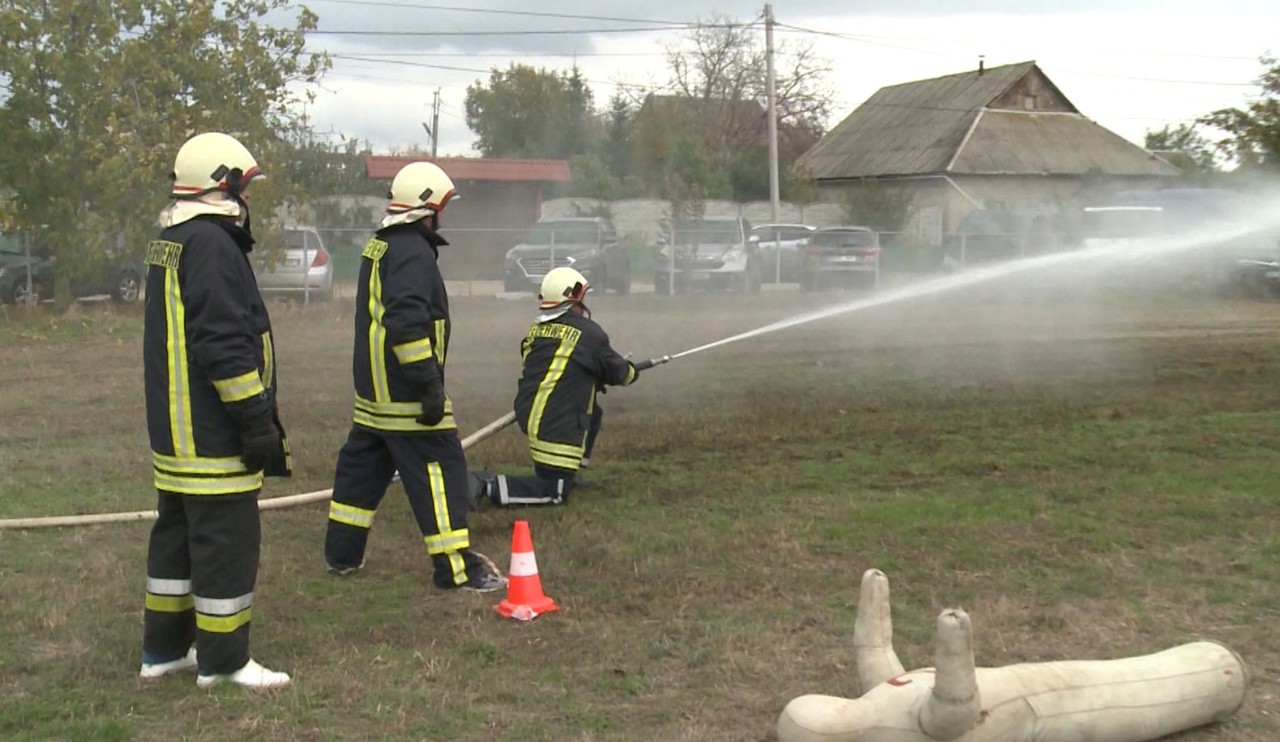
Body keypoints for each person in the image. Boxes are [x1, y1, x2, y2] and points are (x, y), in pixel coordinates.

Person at [139, 132, 292, 689]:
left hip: (175, 433)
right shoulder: (211, 244)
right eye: (244, 184)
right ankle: (224, 663)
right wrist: (254, 418)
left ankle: (163, 652)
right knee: (227, 540)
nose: (247, 194)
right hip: (210, 433)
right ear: (223, 183)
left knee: (177, 539)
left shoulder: (173, 238)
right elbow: (225, 343)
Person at [323, 161, 506, 593]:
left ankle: (342, 557)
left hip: (374, 397)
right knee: (442, 470)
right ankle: (456, 570)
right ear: (428, 207)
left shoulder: (381, 245)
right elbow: (407, 324)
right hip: (406, 396)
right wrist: (427, 386)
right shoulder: (411, 250)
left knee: (361, 473)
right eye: (442, 207)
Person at [476, 266, 640, 507]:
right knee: (554, 494)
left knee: (594, 412)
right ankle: (486, 486)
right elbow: (621, 374)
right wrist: (632, 370)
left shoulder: (536, 330)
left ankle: (568, 474)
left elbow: (552, 366)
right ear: (572, 298)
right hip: (556, 425)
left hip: (532, 414)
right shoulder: (589, 333)